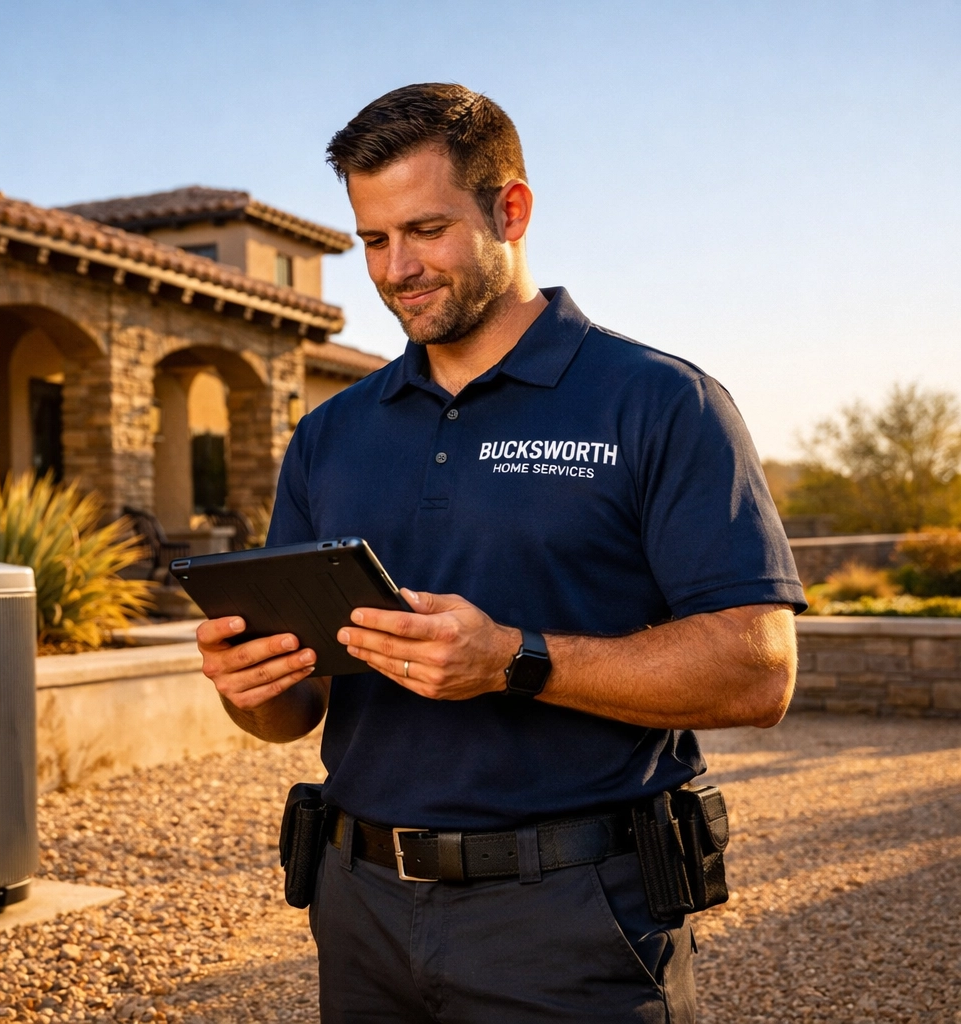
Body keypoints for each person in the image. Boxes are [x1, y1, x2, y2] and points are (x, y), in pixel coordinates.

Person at [196, 83, 805, 1023]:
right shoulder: (328, 434)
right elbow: (294, 713)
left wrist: (512, 660)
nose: (397, 268)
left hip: (575, 921)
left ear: (510, 210)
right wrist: (255, 686)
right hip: (358, 911)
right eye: (372, 240)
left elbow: (758, 674)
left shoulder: (660, 403)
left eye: (426, 230)